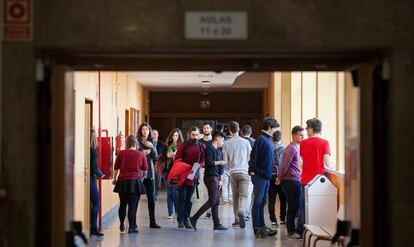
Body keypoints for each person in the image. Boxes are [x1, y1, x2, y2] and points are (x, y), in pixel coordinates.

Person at [297, 118, 333, 236]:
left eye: (307, 128)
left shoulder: (303, 143)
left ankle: (302, 232)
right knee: (316, 207)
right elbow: (328, 162)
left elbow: (300, 163)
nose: (306, 130)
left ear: (312, 128)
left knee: (303, 206)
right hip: (318, 181)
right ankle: (314, 231)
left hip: (305, 179)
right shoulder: (324, 143)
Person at [189, 131, 228, 231]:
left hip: (216, 178)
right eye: (222, 140)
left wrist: (221, 178)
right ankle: (194, 218)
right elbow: (209, 162)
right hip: (210, 177)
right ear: (218, 139)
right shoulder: (210, 148)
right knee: (213, 200)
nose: (223, 142)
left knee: (216, 201)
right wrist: (220, 162)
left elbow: (221, 167)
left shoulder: (218, 150)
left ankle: (217, 224)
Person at [248, 117, 280, 238]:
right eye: (275, 127)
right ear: (270, 127)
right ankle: (257, 228)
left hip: (266, 177)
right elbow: (254, 156)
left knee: (262, 202)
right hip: (259, 176)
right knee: (258, 202)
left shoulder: (268, 140)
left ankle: (262, 226)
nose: (276, 130)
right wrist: (252, 171)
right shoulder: (261, 139)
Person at [112, 135, 148, 234]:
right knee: (133, 206)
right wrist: (141, 178)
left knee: (123, 204)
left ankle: (122, 224)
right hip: (135, 182)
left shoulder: (121, 153)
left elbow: (116, 168)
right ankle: (132, 227)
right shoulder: (141, 154)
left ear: (127, 144)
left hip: (122, 182)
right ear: (136, 144)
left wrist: (114, 179)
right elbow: (145, 169)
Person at [174, 126, 206, 228]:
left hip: (194, 174)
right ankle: (180, 219)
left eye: (197, 135)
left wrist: (199, 165)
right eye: (193, 135)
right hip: (183, 173)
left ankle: (186, 218)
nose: (195, 137)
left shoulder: (202, 146)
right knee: (181, 197)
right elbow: (178, 158)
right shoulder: (184, 145)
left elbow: (204, 160)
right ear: (189, 134)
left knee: (188, 198)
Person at [276, 126, 304, 239]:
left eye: (303, 135)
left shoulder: (296, 147)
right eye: (300, 135)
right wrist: (279, 177)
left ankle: (291, 230)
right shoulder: (291, 148)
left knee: (294, 206)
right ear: (294, 135)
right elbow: (284, 165)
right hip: (290, 180)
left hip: (295, 179)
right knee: (293, 206)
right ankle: (291, 231)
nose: (303, 137)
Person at [223, 121, 251, 228]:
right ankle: (241, 211)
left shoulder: (226, 143)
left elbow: (225, 161)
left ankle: (236, 219)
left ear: (230, 130)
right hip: (244, 171)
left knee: (235, 196)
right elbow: (249, 158)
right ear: (239, 130)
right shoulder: (246, 142)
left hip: (232, 172)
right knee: (243, 195)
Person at [137, 123, 161, 229]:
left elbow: (155, 158)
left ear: (149, 131)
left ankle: (153, 221)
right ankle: (133, 223)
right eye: (143, 129)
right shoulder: (137, 141)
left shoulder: (152, 142)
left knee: (151, 198)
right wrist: (142, 152)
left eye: (147, 129)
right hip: (139, 173)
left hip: (150, 173)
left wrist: (152, 147)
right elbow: (134, 155)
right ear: (140, 131)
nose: (145, 131)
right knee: (136, 197)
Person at [163, 128, 184, 219]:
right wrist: (171, 154)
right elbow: (166, 155)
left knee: (177, 194)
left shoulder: (182, 146)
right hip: (168, 171)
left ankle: (177, 211)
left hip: (178, 172)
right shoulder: (168, 145)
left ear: (179, 137)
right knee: (169, 193)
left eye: (176, 135)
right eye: (173, 135)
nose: (175, 137)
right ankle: (170, 212)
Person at [268, 130, 286, 227]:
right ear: (281, 138)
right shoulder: (285, 149)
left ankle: (273, 220)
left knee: (271, 200)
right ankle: (282, 219)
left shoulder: (268, 148)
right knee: (283, 199)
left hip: (270, 176)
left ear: (272, 138)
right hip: (282, 177)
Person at [89, 129, 105, 237]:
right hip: (91, 179)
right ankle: (94, 228)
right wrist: (102, 175)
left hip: (88, 179)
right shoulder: (93, 150)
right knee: (96, 203)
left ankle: (91, 226)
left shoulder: (85, 149)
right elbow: (94, 167)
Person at [241, 124, 255, 221]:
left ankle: (239, 212)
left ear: (241, 133)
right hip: (250, 171)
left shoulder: (240, 142)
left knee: (239, 193)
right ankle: (245, 213)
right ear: (251, 133)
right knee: (248, 193)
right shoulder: (254, 142)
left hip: (240, 168)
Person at [152, 129, 166, 199]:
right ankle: (152, 193)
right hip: (151, 164)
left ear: (158, 135)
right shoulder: (149, 143)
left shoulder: (162, 144)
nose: (154, 135)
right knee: (152, 179)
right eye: (152, 134)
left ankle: (156, 192)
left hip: (159, 164)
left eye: (155, 134)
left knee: (158, 179)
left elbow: (165, 154)